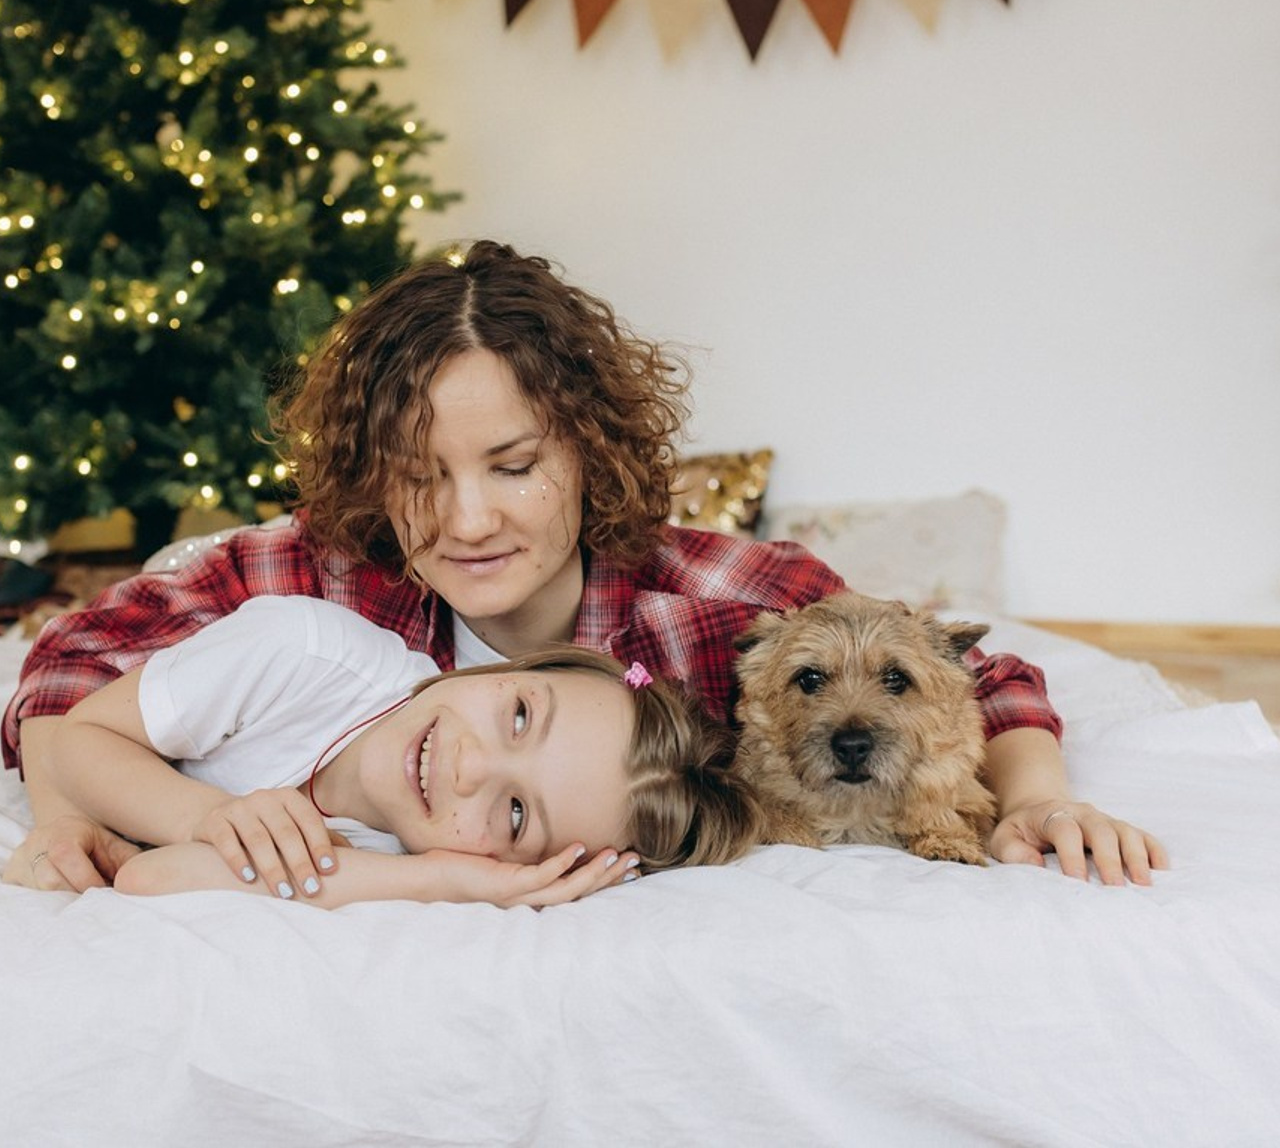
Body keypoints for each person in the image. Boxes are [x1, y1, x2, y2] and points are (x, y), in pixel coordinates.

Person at [3, 240, 1166, 892]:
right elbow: (72, 652)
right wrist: (70, 811)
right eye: (420, 472)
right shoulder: (323, 575)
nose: (465, 519)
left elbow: (975, 669)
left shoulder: (701, 599)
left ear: (587, 446)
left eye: (512, 464)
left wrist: (1036, 800)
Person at [45, 594, 755, 908]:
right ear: (512, 668)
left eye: (513, 815)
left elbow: (152, 881)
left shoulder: (416, 862)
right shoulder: (305, 650)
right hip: (126, 705)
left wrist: (440, 884)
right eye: (516, 715)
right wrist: (204, 815)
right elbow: (81, 736)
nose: (469, 768)